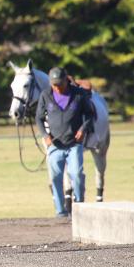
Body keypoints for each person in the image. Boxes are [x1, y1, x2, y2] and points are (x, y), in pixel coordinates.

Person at [35, 66, 94, 217]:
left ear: (66, 81)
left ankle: (80, 205)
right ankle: (60, 211)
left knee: (76, 174)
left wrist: (83, 129)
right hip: (55, 145)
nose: (57, 88)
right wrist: (45, 135)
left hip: (74, 144)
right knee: (55, 177)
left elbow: (89, 114)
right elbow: (39, 118)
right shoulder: (45, 95)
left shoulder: (78, 94)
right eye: (54, 85)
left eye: (59, 84)